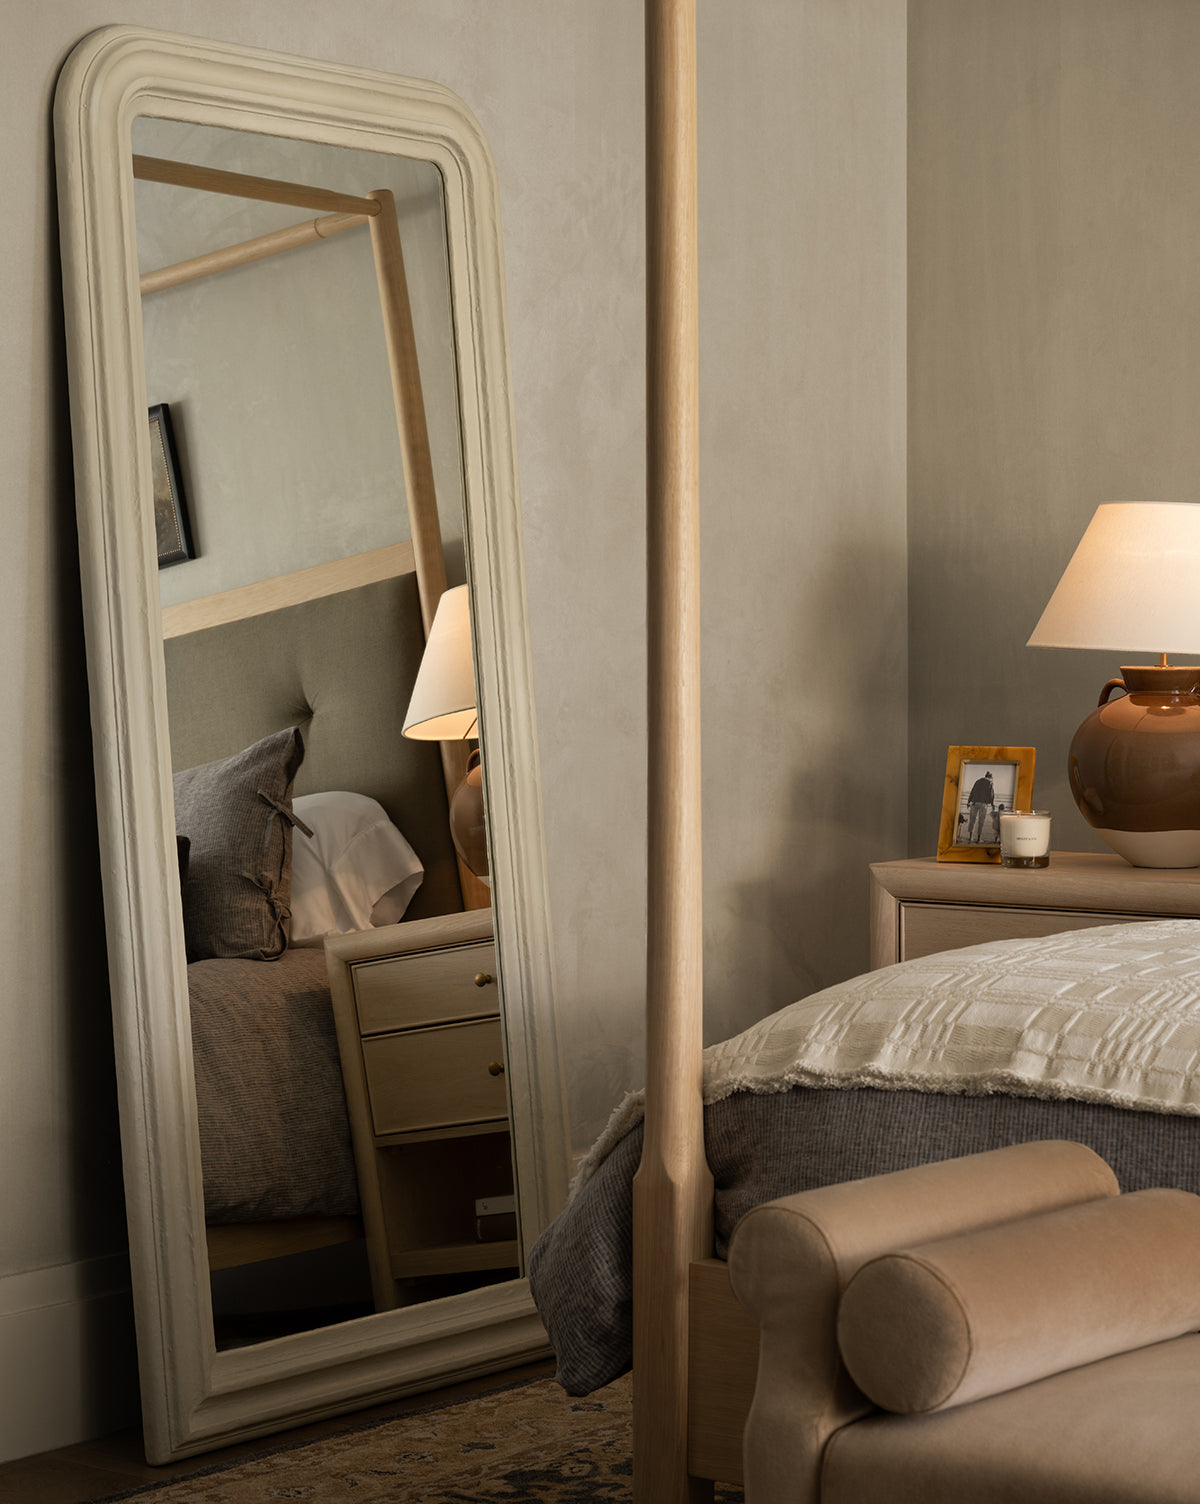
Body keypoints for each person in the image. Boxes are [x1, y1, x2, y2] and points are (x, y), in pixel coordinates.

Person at [966, 770, 994, 842]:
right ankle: (978, 839)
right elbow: (991, 794)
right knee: (981, 821)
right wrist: (992, 804)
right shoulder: (990, 782)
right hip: (983, 804)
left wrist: (968, 802)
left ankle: (970, 838)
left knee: (972, 820)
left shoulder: (977, 781)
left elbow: (972, 791)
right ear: (990, 777)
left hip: (974, 803)